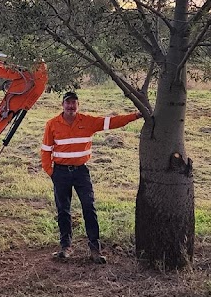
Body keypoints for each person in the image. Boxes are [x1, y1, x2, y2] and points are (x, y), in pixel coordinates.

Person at [41, 91, 142, 264]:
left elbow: (111, 122)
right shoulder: (52, 124)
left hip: (81, 172)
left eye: (74, 103)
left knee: (89, 207)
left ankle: (95, 250)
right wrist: (51, 172)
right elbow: (45, 150)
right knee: (63, 210)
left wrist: (136, 115)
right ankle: (66, 247)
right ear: (62, 105)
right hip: (61, 172)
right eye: (68, 103)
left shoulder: (87, 121)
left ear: (78, 105)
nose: (71, 106)